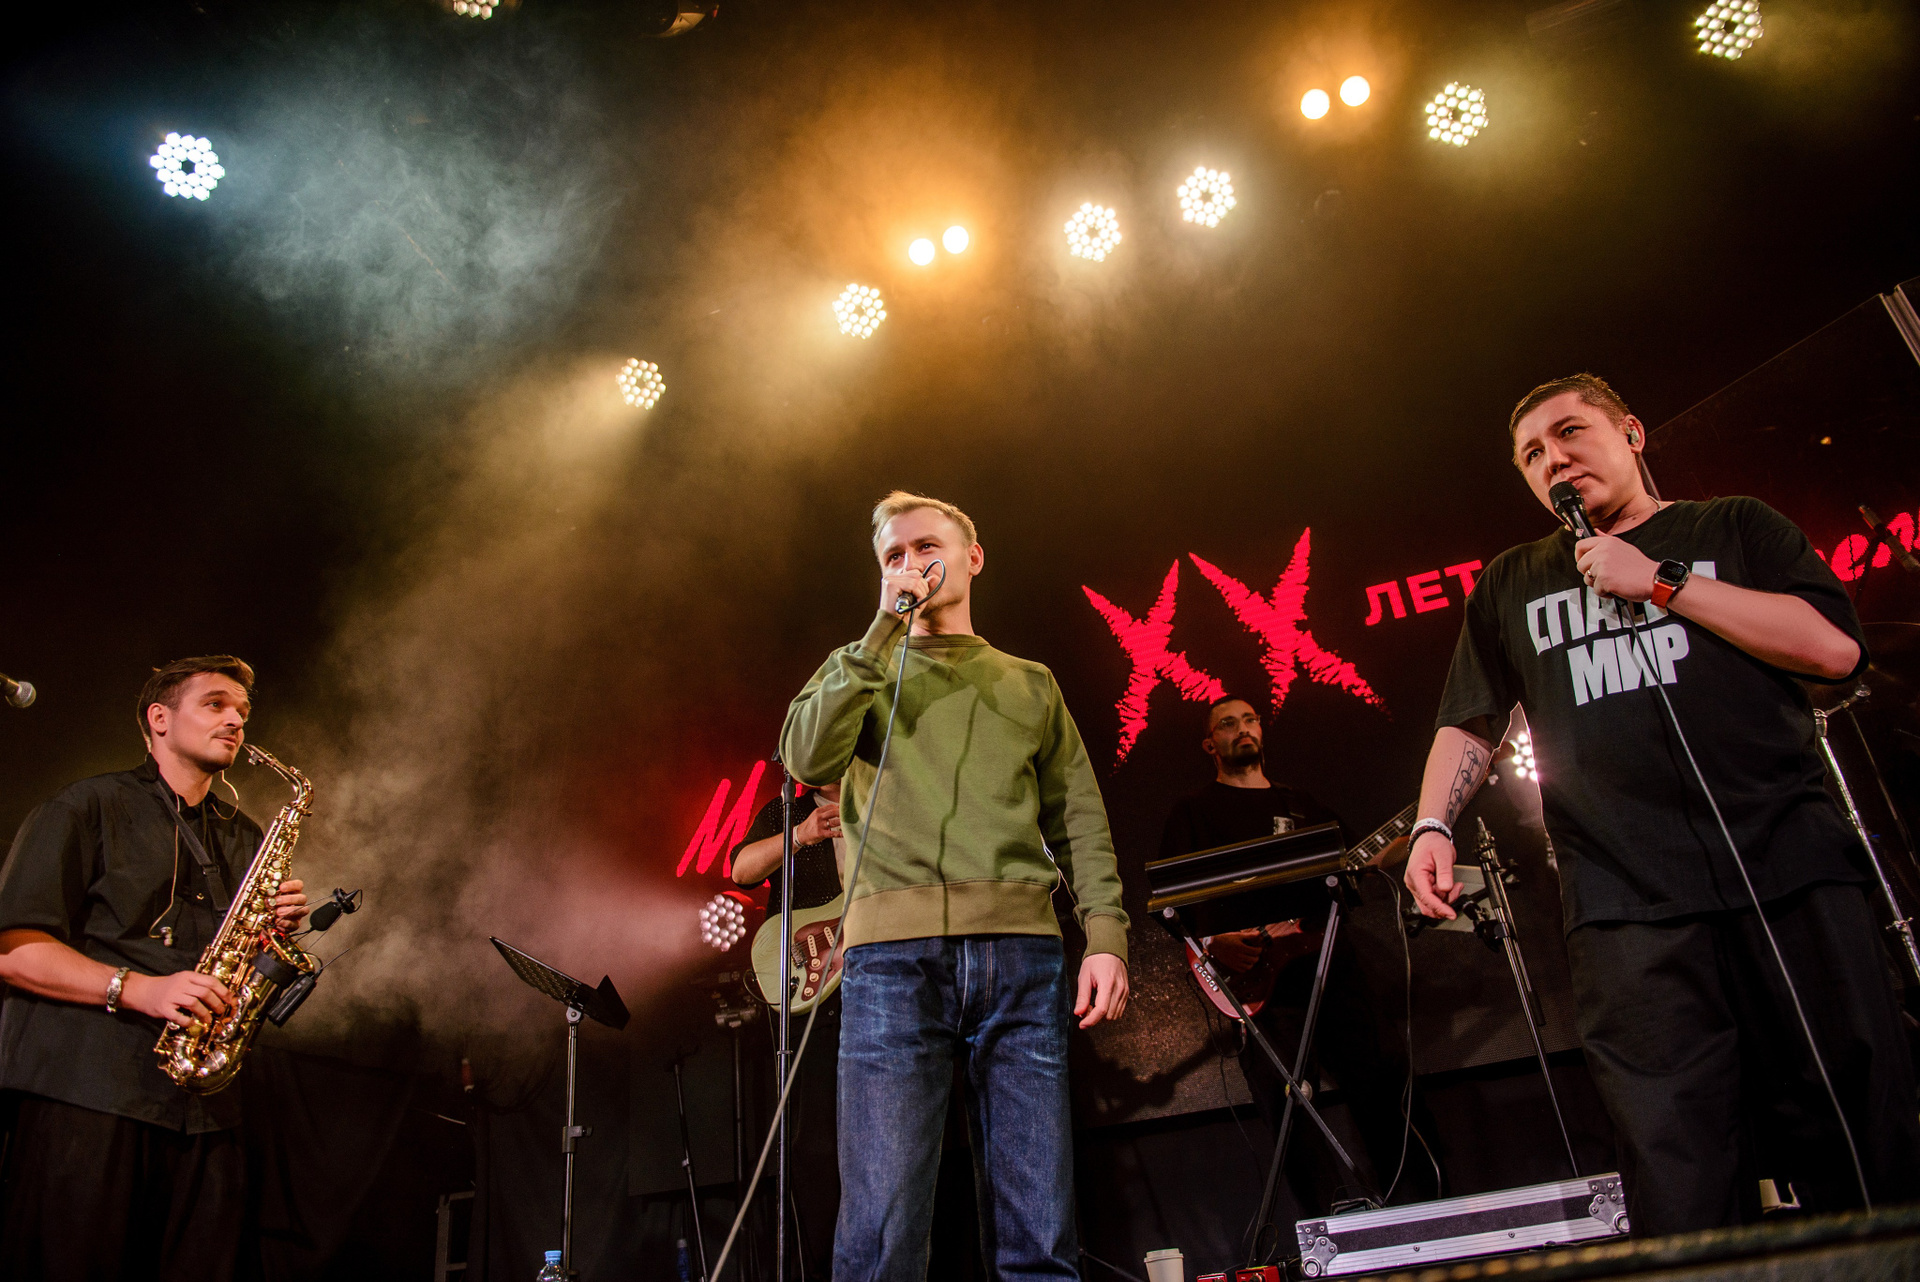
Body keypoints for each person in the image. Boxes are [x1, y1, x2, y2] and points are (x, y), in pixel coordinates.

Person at [1403, 373, 1920, 1234]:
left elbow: (1833, 652)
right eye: (1531, 454)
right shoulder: (1511, 581)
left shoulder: (1736, 525)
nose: (1553, 460)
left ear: (1632, 432)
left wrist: (1661, 583)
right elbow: (1469, 718)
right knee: (1675, 1159)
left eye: (1570, 432)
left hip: (1787, 870)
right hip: (1624, 903)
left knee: (1858, 1127)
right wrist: (1432, 824)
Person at [781, 491, 1130, 1282]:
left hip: (1022, 957)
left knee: (1039, 1229)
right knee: (882, 1233)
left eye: (925, 547)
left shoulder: (1030, 683)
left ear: (972, 558)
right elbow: (805, 758)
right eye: (893, 556)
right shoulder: (861, 668)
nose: (910, 564)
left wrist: (1106, 934)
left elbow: (1078, 817)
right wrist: (882, 630)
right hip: (892, 966)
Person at [0, 655, 309, 1281]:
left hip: (207, 1107)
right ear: (159, 719)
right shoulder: (85, 806)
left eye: (243, 712)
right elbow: (13, 949)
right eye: (216, 704)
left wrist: (272, 933)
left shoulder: (245, 836)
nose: (236, 722)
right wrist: (137, 988)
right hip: (89, 1094)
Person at [1161, 695, 1425, 1215]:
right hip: (1260, 984)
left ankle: (1420, 1210)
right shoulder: (1193, 811)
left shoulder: (1301, 804)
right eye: (1228, 724)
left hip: (1331, 969)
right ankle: (1331, 1228)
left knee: (1384, 1081)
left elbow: (1363, 861)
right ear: (1210, 744)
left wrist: (1427, 823)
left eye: (1250, 720)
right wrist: (1214, 942)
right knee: (1291, 1109)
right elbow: (1172, 900)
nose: (1243, 729)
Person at [728, 779, 845, 1277]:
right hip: (811, 993)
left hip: (882, 986)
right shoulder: (786, 810)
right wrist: (801, 833)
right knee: (814, 1141)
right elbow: (740, 869)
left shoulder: (888, 796)